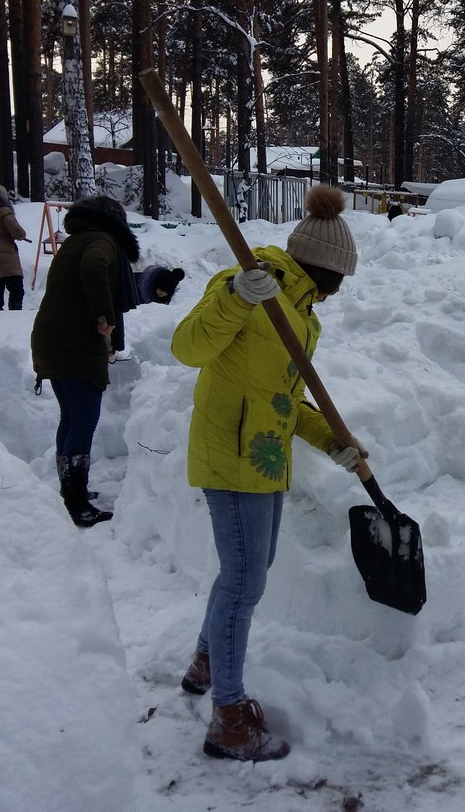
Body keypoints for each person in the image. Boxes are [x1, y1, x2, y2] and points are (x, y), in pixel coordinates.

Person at [172, 184, 368, 762]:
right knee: (244, 581)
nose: (337, 294)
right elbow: (187, 347)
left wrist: (335, 441)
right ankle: (228, 716)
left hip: (263, 458)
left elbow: (285, 400)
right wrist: (234, 294)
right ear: (324, 270)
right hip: (229, 455)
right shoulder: (252, 281)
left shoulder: (303, 317)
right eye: (339, 281)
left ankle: (209, 659)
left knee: (247, 573)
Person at [31, 195, 140, 528]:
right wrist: (104, 317)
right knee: (83, 420)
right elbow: (94, 267)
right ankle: (77, 503)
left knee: (71, 417)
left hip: (52, 339)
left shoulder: (76, 239)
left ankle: (71, 492)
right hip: (75, 341)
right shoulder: (101, 241)